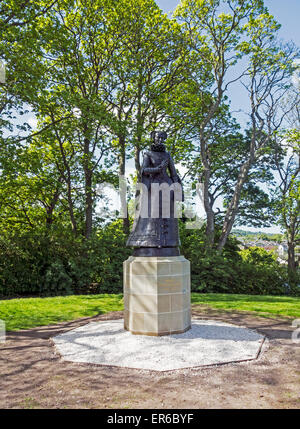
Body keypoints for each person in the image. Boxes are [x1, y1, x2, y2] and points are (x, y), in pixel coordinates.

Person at [126, 131, 183, 256]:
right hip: (153, 186)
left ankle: (168, 242)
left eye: (163, 138)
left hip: (167, 187)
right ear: (154, 138)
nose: (161, 140)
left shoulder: (167, 155)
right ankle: (148, 241)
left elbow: (173, 172)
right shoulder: (148, 153)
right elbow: (144, 170)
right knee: (150, 215)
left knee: (168, 215)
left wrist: (177, 186)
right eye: (159, 138)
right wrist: (157, 169)